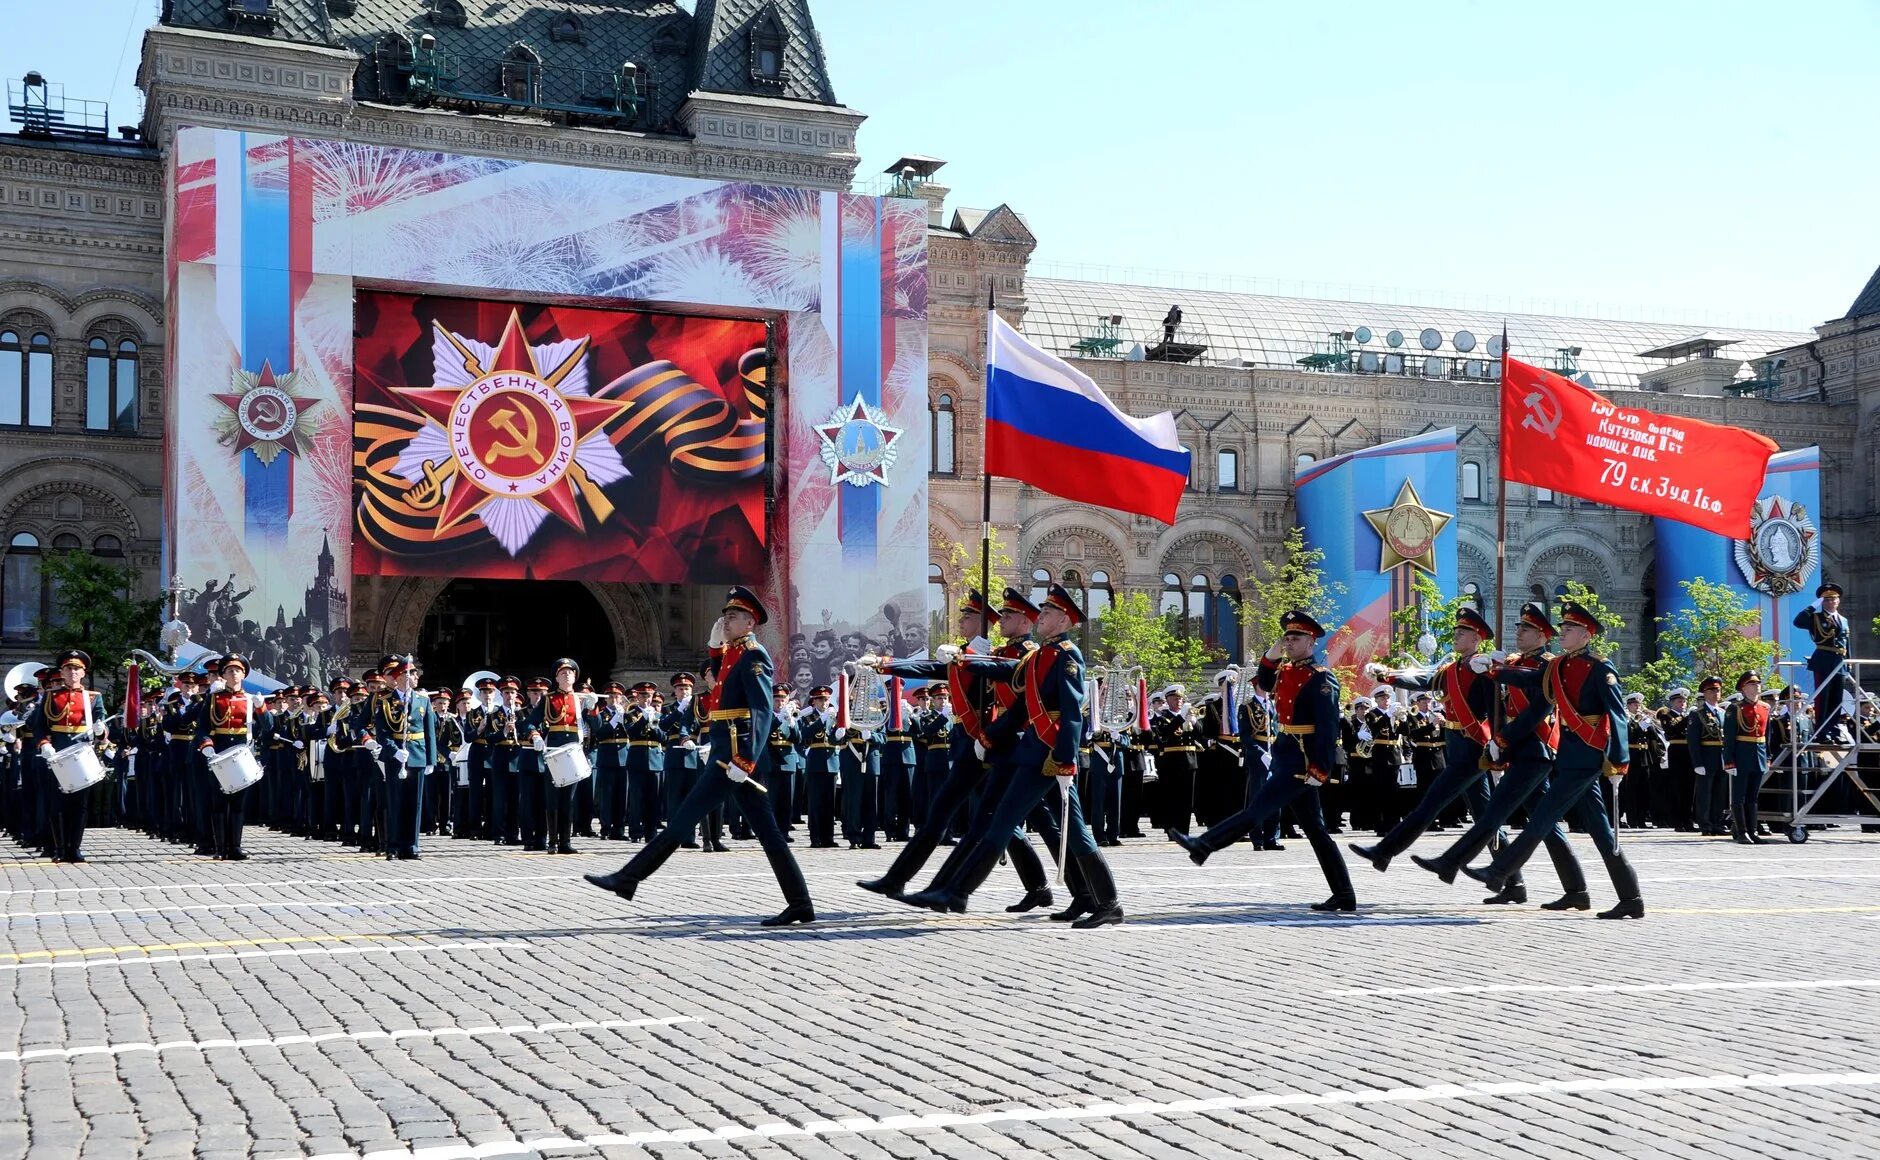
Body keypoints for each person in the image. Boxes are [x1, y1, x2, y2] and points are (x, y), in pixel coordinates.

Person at [586, 586, 814, 926]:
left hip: (733, 759)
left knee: (682, 820)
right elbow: (720, 675)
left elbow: (762, 711)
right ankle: (800, 903)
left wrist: (746, 760)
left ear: (751, 622)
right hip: (727, 755)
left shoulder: (754, 654)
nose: (726, 619)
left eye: (733, 616)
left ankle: (628, 878)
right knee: (768, 834)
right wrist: (713, 645)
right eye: (725, 614)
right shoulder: (736, 652)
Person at [900, 584, 1122, 928]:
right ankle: (1100, 900)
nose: (1041, 617)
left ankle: (954, 891)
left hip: (1049, 753)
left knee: (1010, 822)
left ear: (1063, 619)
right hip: (1033, 750)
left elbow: (1072, 711)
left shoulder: (1066, 655)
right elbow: (1011, 681)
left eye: (1046, 613)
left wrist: (1064, 759)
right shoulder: (1039, 656)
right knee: (1067, 829)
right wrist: (964, 659)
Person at [855, 590, 1054, 910]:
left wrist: (977, 661)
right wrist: (886, 665)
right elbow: (936, 669)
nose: (960, 621)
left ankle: (1070, 887)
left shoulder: (1019, 653)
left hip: (1001, 743)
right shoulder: (977, 651)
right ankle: (905, 881)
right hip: (973, 741)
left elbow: (1018, 700)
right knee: (973, 817)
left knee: (1000, 820)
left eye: (968, 617)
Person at [1461, 602, 1644, 920]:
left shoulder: (1601, 668)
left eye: (1570, 629)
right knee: (1601, 831)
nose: (1563, 633)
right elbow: (1531, 680)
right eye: (1563, 628)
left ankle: (1498, 871)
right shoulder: (1558, 666)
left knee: (1542, 818)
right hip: (1570, 753)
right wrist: (1494, 671)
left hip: (1589, 754)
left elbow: (1617, 716)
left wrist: (1619, 760)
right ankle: (1615, 896)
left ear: (1586, 634)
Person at [1169, 610, 1356, 912]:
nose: (1290, 642)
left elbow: (1327, 727)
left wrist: (1320, 768)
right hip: (1286, 753)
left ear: (1312, 642)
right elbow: (1266, 679)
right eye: (1287, 637)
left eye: (1296, 637)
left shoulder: (1321, 679)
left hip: (1301, 760)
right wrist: (1274, 650)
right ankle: (1345, 894)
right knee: (1316, 831)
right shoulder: (1287, 670)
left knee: (1257, 809)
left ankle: (1204, 845)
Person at [1351, 608, 1500, 874]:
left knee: (1431, 802)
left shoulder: (1483, 668)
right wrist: (1389, 675)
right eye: (1455, 631)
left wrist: (1498, 743)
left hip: (1472, 747)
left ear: (1477, 639)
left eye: (1462, 633)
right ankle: (1511, 879)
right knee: (1484, 812)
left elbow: (1495, 709)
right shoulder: (1451, 669)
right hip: (1456, 742)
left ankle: (1385, 851)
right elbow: (1423, 678)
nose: (1456, 636)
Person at [25, 649, 106, 862]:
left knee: (80, 804)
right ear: (62, 671)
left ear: (83, 672)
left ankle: (75, 848)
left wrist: (100, 730)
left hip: (81, 752)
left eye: (77, 669)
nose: (73, 672)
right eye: (69, 668)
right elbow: (40, 727)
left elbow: (102, 724)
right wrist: (44, 744)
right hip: (57, 753)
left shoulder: (92, 698)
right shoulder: (52, 696)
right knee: (57, 802)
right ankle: (60, 849)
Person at [362, 654, 437, 861]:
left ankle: (411, 846)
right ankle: (393, 846)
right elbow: (383, 731)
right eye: (411, 674)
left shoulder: (423, 700)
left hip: (418, 755)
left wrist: (431, 759)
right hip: (396, 757)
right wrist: (393, 750)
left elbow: (430, 731)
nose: (415, 677)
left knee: (415, 803)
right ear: (400, 677)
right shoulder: (385, 701)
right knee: (395, 802)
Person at [194, 655, 259, 860]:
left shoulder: (249, 699)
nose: (234, 674)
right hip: (219, 752)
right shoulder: (214, 698)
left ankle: (236, 847)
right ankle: (220, 848)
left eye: (237, 670)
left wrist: (263, 709)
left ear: (244, 674)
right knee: (219, 802)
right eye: (229, 671)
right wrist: (206, 744)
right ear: (223, 675)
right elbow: (203, 726)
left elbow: (268, 727)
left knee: (239, 804)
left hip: (241, 751)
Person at [1794, 583, 1850, 741]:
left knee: (1836, 699)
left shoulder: (1843, 620)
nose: (1831, 602)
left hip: (1840, 662)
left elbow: (1846, 643)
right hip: (1824, 660)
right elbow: (1797, 622)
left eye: (1833, 599)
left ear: (1838, 601)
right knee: (1823, 698)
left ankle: (1834, 730)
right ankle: (1822, 732)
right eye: (1826, 599)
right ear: (1822, 602)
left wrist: (1849, 663)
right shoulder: (1815, 617)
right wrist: (1813, 606)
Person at [1725, 672, 1770, 844]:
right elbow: (1729, 737)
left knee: (1752, 796)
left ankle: (1752, 831)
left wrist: (1768, 756)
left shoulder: (1765, 707)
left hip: (1758, 754)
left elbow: (1768, 735)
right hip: (1741, 754)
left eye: (1758, 683)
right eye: (1752, 684)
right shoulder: (1735, 708)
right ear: (1743, 688)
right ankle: (1741, 831)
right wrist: (1729, 760)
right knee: (1738, 796)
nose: (1756, 686)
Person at [1688, 675, 1730, 836]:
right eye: (1712, 690)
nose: (1715, 693)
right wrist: (1697, 763)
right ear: (1704, 693)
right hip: (1706, 757)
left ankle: (1717, 823)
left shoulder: (1723, 713)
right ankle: (1705, 824)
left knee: (1720, 792)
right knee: (1705, 793)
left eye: (1718, 690)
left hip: (1721, 757)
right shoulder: (1698, 714)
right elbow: (1693, 741)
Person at [1622, 692, 1666, 829]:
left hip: (1645, 757)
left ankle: (1641, 820)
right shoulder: (1625, 719)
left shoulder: (1642, 718)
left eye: (1639, 704)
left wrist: (1649, 723)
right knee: (1631, 790)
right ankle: (1632, 819)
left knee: (1644, 790)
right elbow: (1627, 736)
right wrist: (1640, 727)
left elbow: (1653, 735)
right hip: (1632, 755)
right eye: (1634, 704)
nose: (1637, 706)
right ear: (1628, 705)